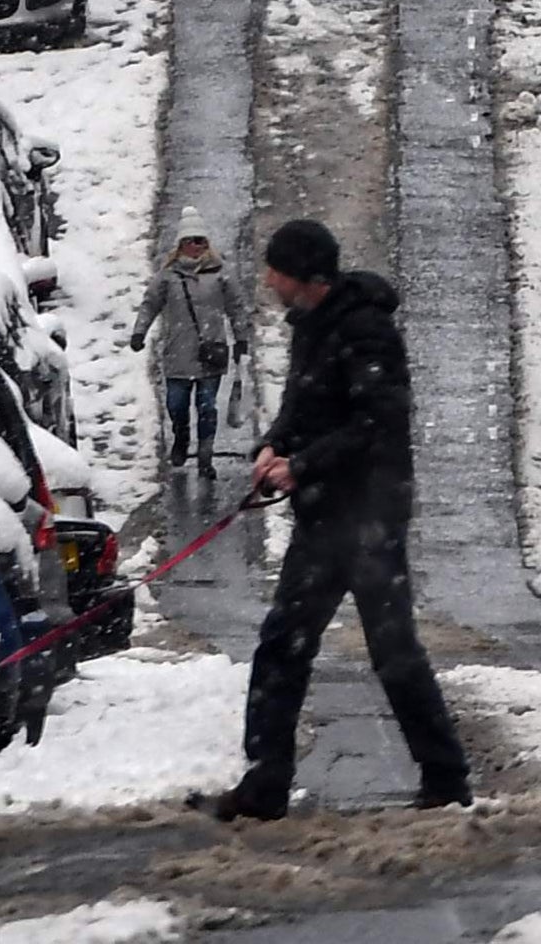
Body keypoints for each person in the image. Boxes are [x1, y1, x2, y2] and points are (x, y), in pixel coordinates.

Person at [199, 218, 472, 822]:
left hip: (368, 517)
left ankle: (446, 777)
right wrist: (274, 446)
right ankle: (265, 783)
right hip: (326, 517)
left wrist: (304, 465)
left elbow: (377, 423)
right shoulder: (311, 328)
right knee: (284, 645)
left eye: (275, 269)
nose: (268, 280)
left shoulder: (365, 331)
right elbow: (304, 406)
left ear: (306, 277)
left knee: (391, 650)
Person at [129, 209, 247, 476]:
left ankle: (205, 456)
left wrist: (241, 338)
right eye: (191, 241)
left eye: (200, 240)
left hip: (210, 353)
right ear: (181, 244)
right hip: (177, 354)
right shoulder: (168, 276)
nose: (196, 246)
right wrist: (139, 332)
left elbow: (236, 307)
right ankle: (181, 436)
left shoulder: (221, 274)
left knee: (207, 406)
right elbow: (150, 305)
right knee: (177, 405)